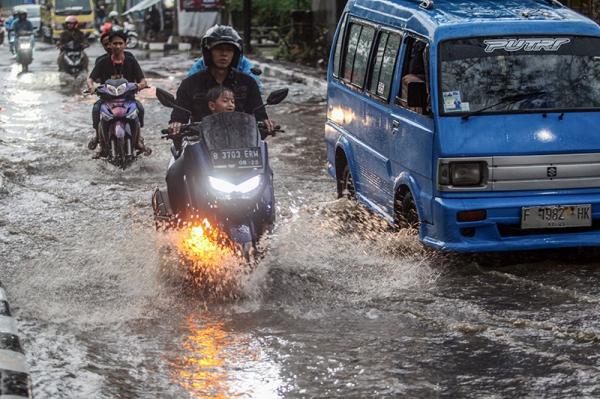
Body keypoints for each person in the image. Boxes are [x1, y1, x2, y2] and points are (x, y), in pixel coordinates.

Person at [169, 25, 276, 136]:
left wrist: (266, 123)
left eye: (229, 50)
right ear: (208, 52)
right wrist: (176, 124)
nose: (224, 54)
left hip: (240, 140)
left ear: (235, 55)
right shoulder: (190, 84)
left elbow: (258, 114)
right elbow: (180, 114)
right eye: (219, 49)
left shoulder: (248, 83)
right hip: (200, 141)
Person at [87, 29, 150, 156]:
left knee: (140, 108)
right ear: (109, 45)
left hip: (128, 99)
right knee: (96, 109)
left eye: (121, 43)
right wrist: (91, 87)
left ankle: (138, 140)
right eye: (114, 43)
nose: (118, 46)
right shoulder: (102, 62)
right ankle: (99, 138)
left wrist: (141, 85)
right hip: (107, 99)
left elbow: (142, 79)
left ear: (125, 44)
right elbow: (90, 78)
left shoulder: (131, 60)